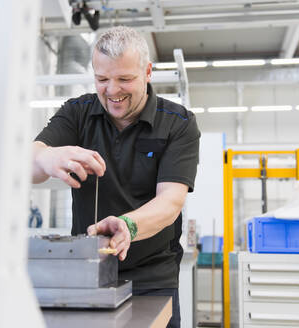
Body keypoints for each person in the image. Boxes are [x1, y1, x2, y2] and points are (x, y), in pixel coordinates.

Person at [32, 26, 200, 328]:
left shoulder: (178, 124)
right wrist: (45, 157)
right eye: (102, 79)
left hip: (152, 279)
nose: (112, 91)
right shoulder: (77, 113)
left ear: (147, 72)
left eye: (125, 79)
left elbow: (171, 201)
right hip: (88, 273)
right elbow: (28, 164)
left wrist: (129, 226)